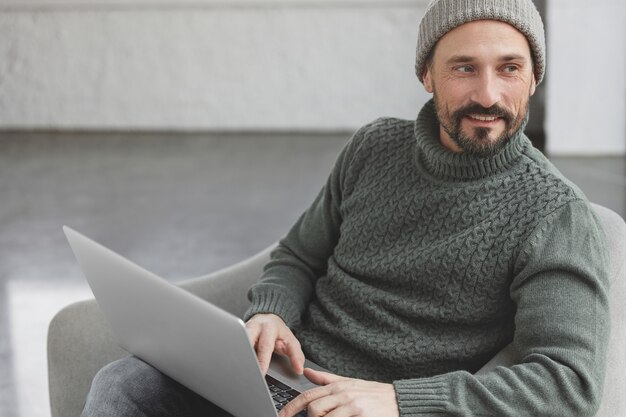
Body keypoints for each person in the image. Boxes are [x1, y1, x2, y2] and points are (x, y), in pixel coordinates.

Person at [81, 0, 610, 416]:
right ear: (427, 75)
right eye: (464, 68)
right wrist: (270, 309)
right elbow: (298, 256)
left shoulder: (555, 214)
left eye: (510, 68)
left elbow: (567, 382)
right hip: (284, 382)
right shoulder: (374, 147)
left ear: (534, 79)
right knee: (124, 384)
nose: (488, 94)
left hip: (377, 407)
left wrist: (401, 401)